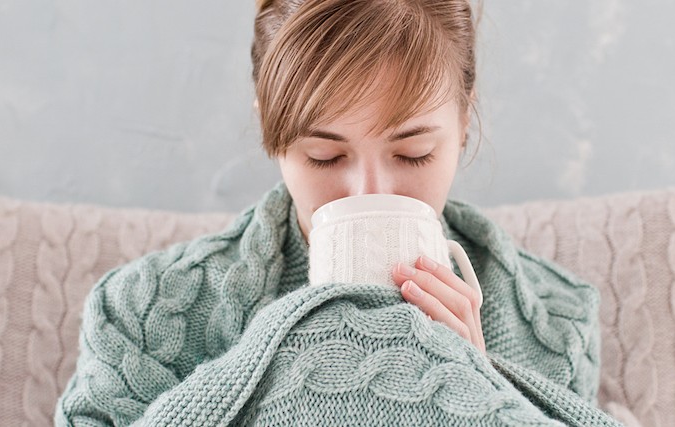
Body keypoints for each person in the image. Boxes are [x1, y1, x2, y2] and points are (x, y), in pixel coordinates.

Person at [55, 0, 620, 425]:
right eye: (324, 156)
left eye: (412, 152)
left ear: (464, 121)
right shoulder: (141, 310)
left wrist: (481, 384)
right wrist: (278, 351)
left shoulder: (554, 320)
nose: (367, 191)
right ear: (272, 133)